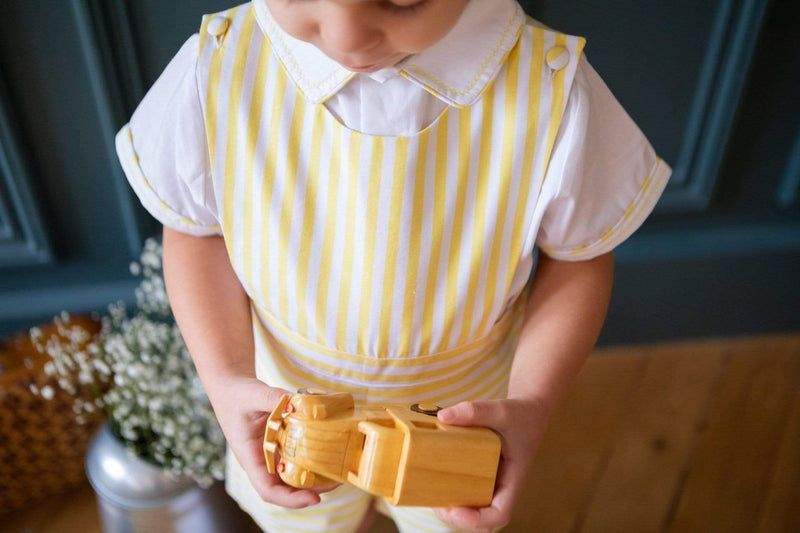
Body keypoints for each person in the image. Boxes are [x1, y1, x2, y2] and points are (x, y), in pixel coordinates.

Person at [115, 0, 672, 531]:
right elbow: (196, 232)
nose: (346, 37)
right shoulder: (222, 68)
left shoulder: (549, 88)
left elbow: (577, 258)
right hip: (288, 410)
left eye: (402, 2)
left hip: (457, 422)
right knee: (311, 523)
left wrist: (532, 403)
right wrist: (226, 379)